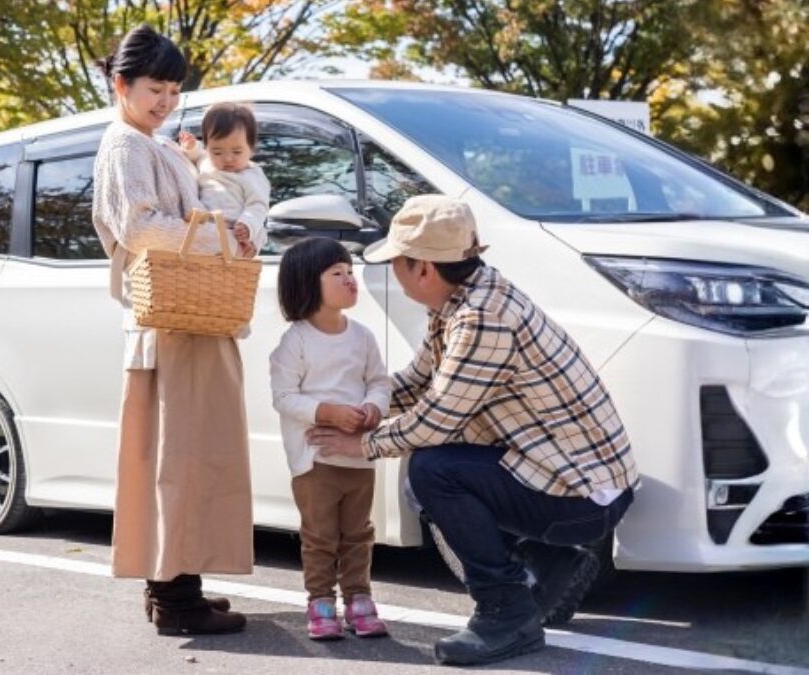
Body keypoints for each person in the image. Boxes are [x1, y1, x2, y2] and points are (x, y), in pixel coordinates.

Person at [309, 195, 639, 666]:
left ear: (423, 268)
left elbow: (438, 418)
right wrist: (367, 407)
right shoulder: (464, 296)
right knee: (446, 458)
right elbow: (422, 378)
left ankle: (505, 611)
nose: (392, 274)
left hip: (584, 500)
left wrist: (361, 443)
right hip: (581, 483)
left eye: (397, 263)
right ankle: (547, 566)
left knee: (432, 469)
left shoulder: (481, 318)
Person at [91, 24, 253, 637]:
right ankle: (174, 594)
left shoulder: (149, 142)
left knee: (182, 456)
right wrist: (220, 236)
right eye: (154, 88)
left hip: (181, 317)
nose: (164, 100)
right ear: (121, 85)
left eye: (173, 89)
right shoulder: (126, 146)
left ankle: (177, 587)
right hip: (171, 323)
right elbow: (142, 230)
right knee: (179, 457)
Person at [269, 237, 392, 640]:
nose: (349, 280)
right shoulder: (296, 341)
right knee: (320, 535)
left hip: (359, 457)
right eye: (337, 274)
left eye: (350, 272)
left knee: (359, 533)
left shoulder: (362, 336)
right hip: (315, 459)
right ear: (307, 283)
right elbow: (284, 397)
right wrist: (327, 413)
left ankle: (359, 598)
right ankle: (320, 601)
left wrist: (374, 408)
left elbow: (379, 381)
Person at [177, 103, 269, 258]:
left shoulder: (252, 175)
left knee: (255, 236)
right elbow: (196, 156)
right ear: (207, 147)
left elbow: (258, 205)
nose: (227, 158)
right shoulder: (206, 161)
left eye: (237, 151)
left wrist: (247, 225)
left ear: (251, 149)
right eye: (217, 152)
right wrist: (190, 147)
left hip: (234, 232)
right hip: (203, 232)